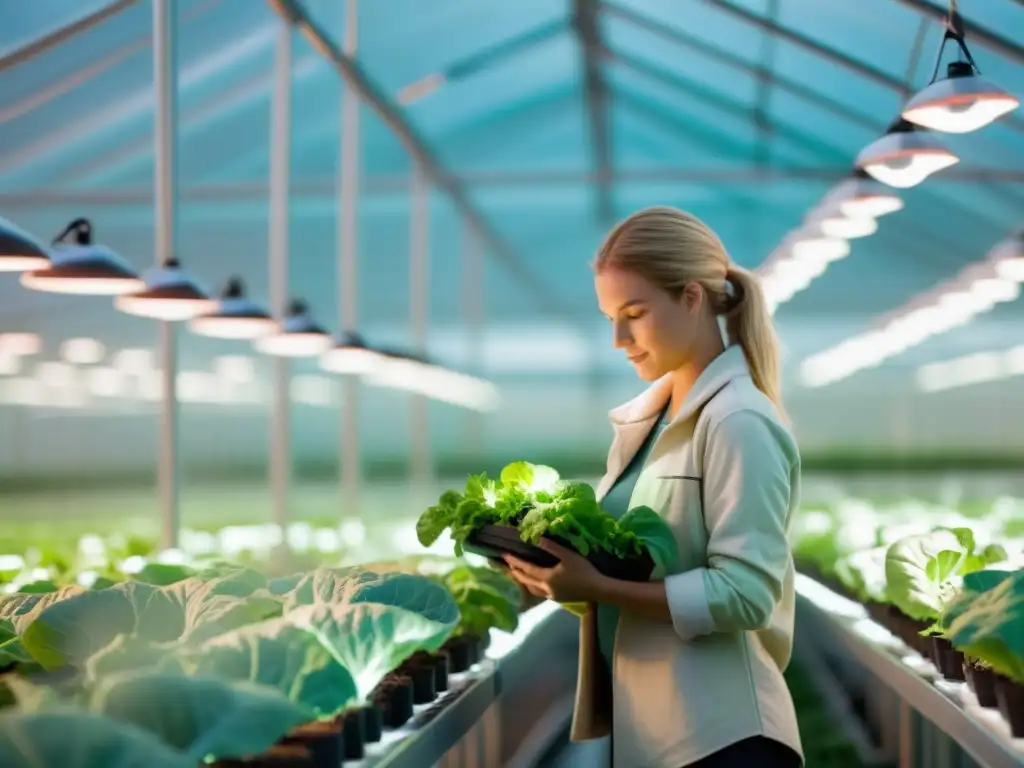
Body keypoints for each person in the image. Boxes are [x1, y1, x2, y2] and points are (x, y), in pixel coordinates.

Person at [502, 207, 804, 768]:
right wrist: (562, 581)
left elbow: (746, 594)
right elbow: (642, 577)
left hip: (722, 738)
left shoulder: (739, 421)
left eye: (634, 313)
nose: (619, 338)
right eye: (611, 317)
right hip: (655, 732)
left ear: (692, 297)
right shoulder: (648, 422)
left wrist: (602, 586)